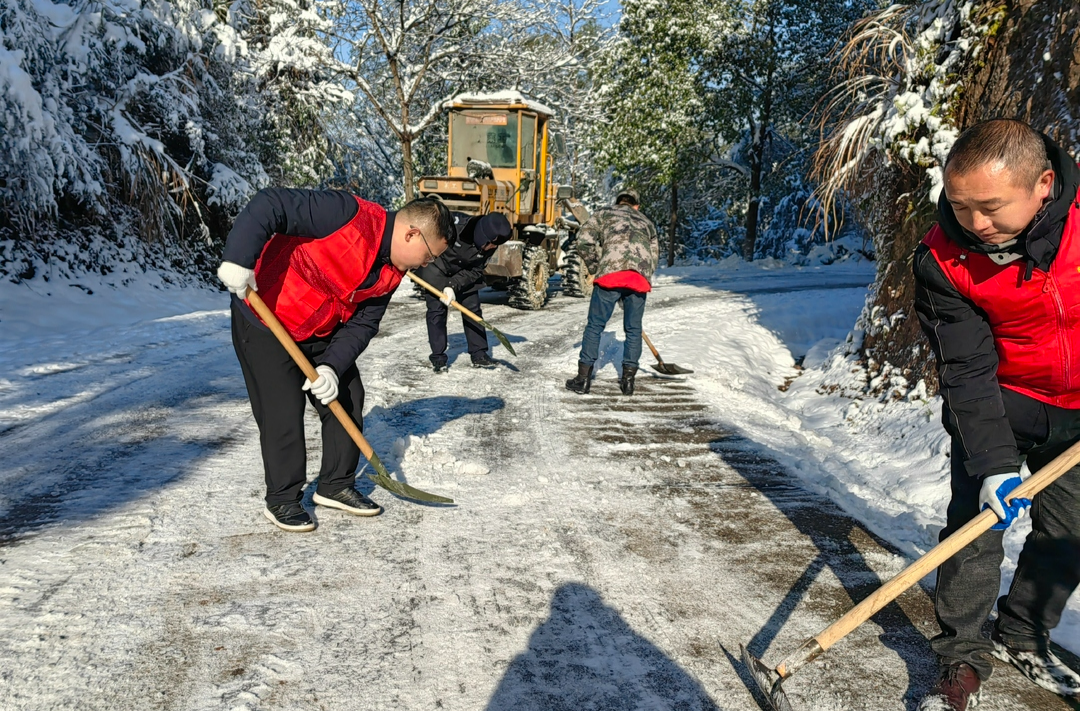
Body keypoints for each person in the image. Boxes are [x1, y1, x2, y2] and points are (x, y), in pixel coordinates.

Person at [913, 119, 1080, 710]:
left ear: (1042, 184)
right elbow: (965, 368)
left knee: (1070, 532)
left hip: (1078, 411)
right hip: (999, 405)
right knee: (977, 528)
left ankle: (1023, 634)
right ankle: (960, 655)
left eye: (990, 207)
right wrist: (991, 463)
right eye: (959, 206)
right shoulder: (942, 258)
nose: (974, 224)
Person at [217, 189, 453, 532]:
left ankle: (335, 484)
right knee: (281, 410)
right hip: (266, 317)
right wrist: (238, 258)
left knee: (346, 394)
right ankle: (282, 498)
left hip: (317, 328)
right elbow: (271, 205)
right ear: (412, 234)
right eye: (430, 256)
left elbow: (363, 323)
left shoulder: (391, 272)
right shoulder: (347, 214)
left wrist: (330, 366)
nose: (426, 265)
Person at [564, 188, 659, 396]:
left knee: (595, 325)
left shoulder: (604, 213)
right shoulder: (646, 222)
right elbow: (653, 255)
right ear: (636, 205)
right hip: (638, 278)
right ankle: (628, 383)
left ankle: (583, 380)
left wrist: (595, 266)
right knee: (633, 330)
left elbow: (583, 240)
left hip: (610, 275)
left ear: (617, 202)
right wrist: (641, 275)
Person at [414, 211, 513, 372]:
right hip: (437, 266)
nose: (492, 248)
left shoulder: (493, 241)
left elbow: (476, 270)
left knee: (472, 308)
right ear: (483, 234)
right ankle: (438, 358)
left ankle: (479, 354)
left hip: (464, 272)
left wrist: (453, 285)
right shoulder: (453, 225)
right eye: (491, 244)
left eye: (495, 246)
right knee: (436, 311)